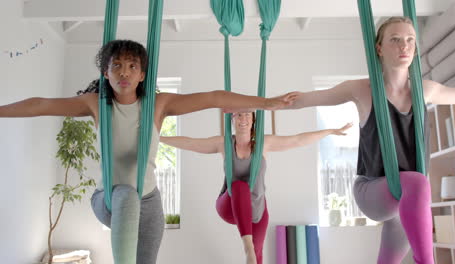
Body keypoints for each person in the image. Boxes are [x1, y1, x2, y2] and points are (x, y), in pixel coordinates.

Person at [0, 39, 298, 264]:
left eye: (132, 66)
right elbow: (40, 105)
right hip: (110, 199)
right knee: (127, 194)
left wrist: (266, 103)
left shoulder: (158, 105)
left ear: (142, 74)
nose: (124, 72)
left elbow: (213, 97)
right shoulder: (95, 104)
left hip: (151, 204)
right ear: (106, 72)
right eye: (116, 65)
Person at [287, 17, 455, 264]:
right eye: (395, 40)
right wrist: (262, 104)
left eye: (409, 40)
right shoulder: (363, 90)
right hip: (372, 190)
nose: (404, 46)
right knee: (417, 183)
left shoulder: (425, 90)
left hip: (408, 198)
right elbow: (308, 98)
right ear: (379, 48)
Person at [161, 111, 351, 264]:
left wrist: (330, 131)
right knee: (239, 186)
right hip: (228, 205)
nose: (243, 119)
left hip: (257, 211)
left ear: (253, 120)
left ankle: (251, 251)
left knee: (257, 259)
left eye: (247, 115)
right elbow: (191, 143)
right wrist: (159, 138)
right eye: (238, 114)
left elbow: (298, 139)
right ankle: (247, 248)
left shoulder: (263, 143)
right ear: (232, 119)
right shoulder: (224, 143)